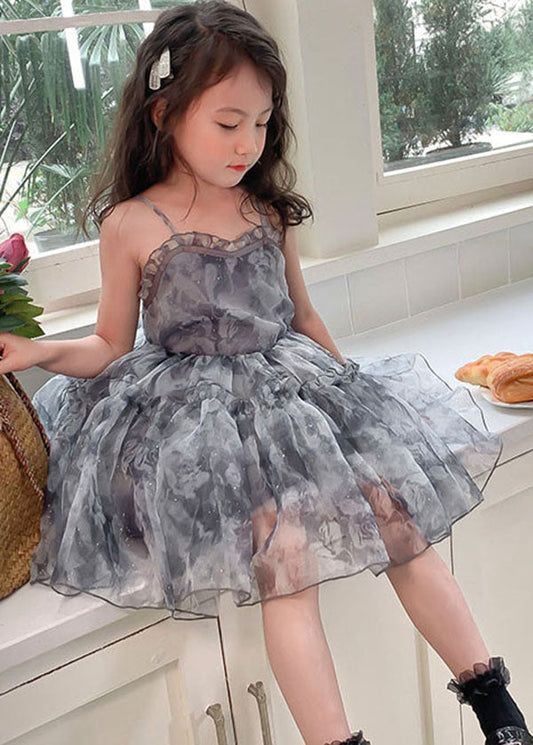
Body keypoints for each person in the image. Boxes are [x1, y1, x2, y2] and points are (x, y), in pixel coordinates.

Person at [0, 3, 530, 744]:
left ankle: (498, 710)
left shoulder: (265, 210)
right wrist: (38, 353)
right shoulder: (131, 223)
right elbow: (109, 345)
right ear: (164, 113)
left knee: (397, 518)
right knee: (284, 553)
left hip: (291, 392)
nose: (248, 142)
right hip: (195, 420)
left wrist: (358, 397)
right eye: (228, 123)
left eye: (261, 121)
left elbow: (302, 316)